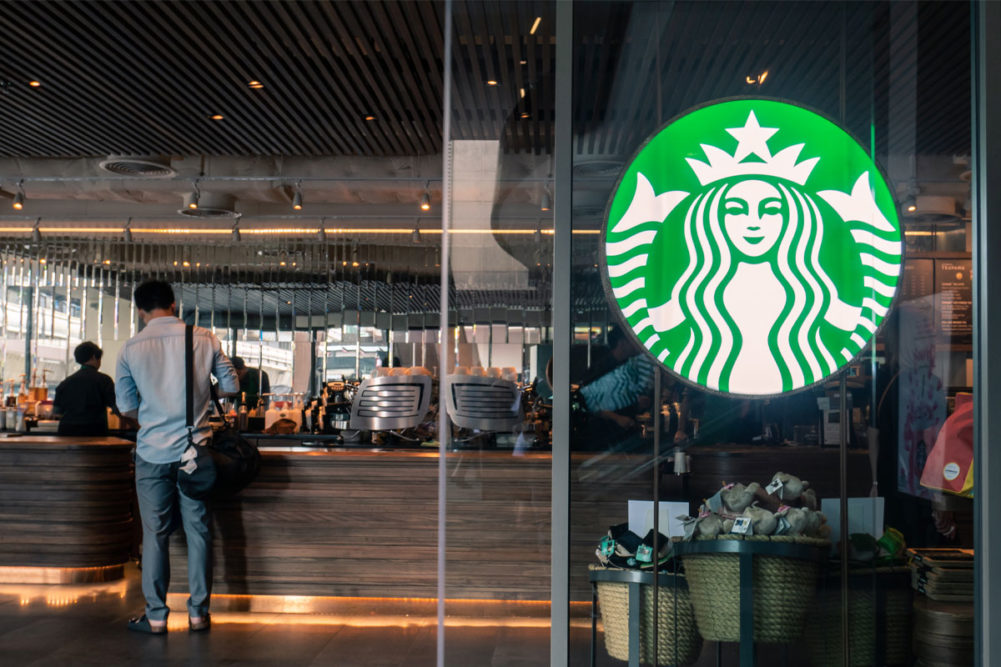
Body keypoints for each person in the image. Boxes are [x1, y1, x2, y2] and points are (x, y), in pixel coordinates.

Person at [115, 280, 238, 635]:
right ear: (173, 304)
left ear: (141, 311)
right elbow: (231, 386)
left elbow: (126, 406)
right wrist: (201, 394)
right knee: (199, 532)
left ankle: (156, 616)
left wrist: (154, 415)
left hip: (152, 450)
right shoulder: (203, 338)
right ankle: (198, 614)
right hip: (194, 451)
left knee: (155, 535)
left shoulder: (130, 347)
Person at [52, 342, 118, 436]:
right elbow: (117, 407)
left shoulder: (65, 383)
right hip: (94, 433)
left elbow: (57, 412)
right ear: (94, 357)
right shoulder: (104, 380)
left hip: (67, 433)